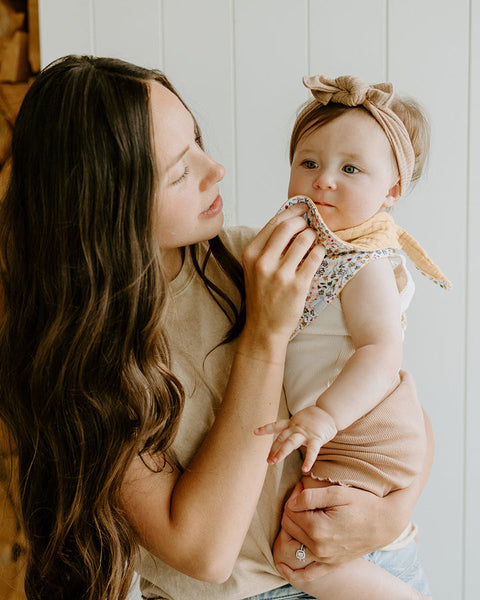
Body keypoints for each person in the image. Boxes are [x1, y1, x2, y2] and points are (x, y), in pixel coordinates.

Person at [0, 57, 433, 600]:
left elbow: (393, 403)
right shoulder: (82, 365)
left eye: (198, 142)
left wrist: (390, 513)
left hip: (376, 561)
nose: (216, 170)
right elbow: (204, 553)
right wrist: (264, 340)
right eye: (181, 170)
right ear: (106, 206)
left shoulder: (257, 257)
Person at [255, 75, 450, 599]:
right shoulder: (319, 246)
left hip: (363, 432)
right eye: (309, 163)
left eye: (350, 169)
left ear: (391, 191)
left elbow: (381, 349)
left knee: (301, 543)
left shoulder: (364, 260)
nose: (323, 182)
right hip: (349, 426)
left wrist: (324, 416)